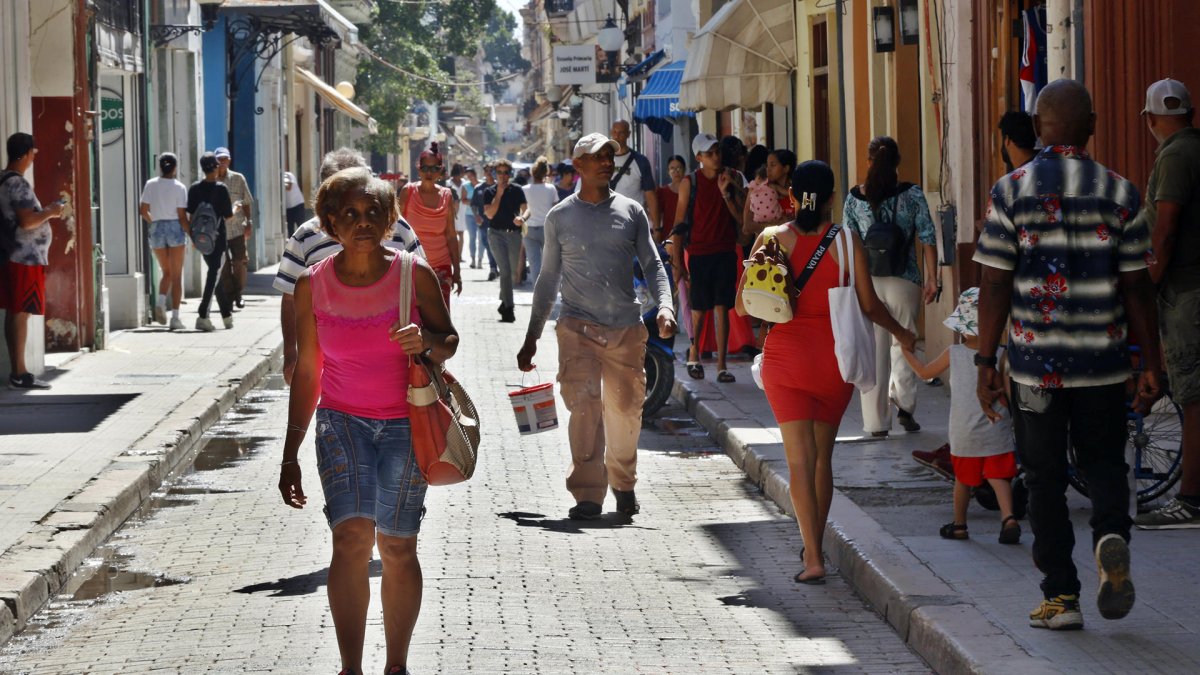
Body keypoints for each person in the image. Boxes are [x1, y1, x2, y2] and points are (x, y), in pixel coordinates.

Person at [974, 79, 1162, 630]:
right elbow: (1138, 289)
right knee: (1104, 462)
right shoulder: (1121, 193)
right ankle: (1109, 534)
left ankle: (1060, 597)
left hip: (1036, 369)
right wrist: (1151, 363)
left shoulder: (1010, 192)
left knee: (1044, 477)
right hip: (1103, 364)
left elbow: (993, 284)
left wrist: (986, 363)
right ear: (1093, 127)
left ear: (1038, 129)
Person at [278, 167, 458, 675]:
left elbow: (448, 340)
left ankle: (396, 665)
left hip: (405, 424)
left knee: (398, 546)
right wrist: (290, 454)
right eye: (350, 215)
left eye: (373, 213)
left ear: (389, 220)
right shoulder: (312, 286)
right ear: (330, 222)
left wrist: (425, 343)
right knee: (350, 538)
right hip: (340, 424)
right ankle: (350, 668)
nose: (362, 223)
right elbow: (309, 371)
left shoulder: (412, 274)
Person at [735, 160, 915, 584]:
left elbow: (743, 305)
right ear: (833, 198)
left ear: (791, 197)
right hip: (835, 361)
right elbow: (870, 307)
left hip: (785, 361)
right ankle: (816, 542)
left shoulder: (771, 238)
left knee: (799, 464)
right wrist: (902, 333)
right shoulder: (849, 242)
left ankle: (812, 557)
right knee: (822, 462)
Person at [517, 133, 676, 520]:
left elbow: (653, 264)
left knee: (624, 410)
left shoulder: (631, 212)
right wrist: (532, 335)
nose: (606, 161)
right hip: (576, 328)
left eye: (609, 155)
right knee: (585, 408)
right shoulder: (560, 217)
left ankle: (623, 483)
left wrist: (666, 307)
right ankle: (587, 492)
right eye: (597, 157)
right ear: (578, 166)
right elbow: (548, 278)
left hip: (624, 327)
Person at [273, 147, 423, 385]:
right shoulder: (305, 236)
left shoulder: (398, 228)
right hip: (331, 366)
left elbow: (424, 291)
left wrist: (427, 342)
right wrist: (291, 354)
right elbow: (291, 297)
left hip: (394, 368)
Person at [901, 288, 1021, 544]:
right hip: (996, 427)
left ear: (962, 327)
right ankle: (1008, 519)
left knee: (963, 481)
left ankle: (960, 525)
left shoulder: (954, 353)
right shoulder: (1003, 355)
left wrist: (906, 352)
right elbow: (1011, 396)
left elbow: (924, 373)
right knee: (998, 477)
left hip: (964, 432)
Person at [1133, 78, 1200, 530]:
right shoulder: (1191, 148)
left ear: (1154, 119)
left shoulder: (1176, 155)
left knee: (1193, 396)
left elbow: (1167, 226)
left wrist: (1149, 283)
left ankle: (1191, 500)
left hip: (1185, 292)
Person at [843, 136, 939, 437]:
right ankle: (906, 407)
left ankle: (875, 423)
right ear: (898, 163)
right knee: (905, 342)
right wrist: (932, 277)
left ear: (869, 162)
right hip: (904, 279)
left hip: (867, 282)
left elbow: (849, 242)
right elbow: (927, 235)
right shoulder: (912, 195)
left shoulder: (853, 199)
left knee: (873, 350)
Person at [669, 133, 742, 384]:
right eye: (709, 153)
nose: (716, 157)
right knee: (699, 310)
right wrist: (678, 262)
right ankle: (694, 355)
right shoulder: (690, 183)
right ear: (699, 157)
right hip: (699, 252)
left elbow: (741, 218)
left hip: (724, 250)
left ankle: (722, 365)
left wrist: (726, 194)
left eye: (717, 152)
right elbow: (679, 223)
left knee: (723, 307)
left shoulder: (732, 178)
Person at [1, 132, 65, 389]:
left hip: (12, 255)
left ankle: (18, 371)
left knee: (15, 311)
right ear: (27, 154)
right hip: (23, 258)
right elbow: (27, 221)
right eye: (33, 154)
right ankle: (20, 373)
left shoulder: (3, 180)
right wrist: (51, 211)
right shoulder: (16, 183)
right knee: (21, 313)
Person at [399, 143, 460, 307]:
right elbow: (394, 227)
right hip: (412, 266)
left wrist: (457, 271)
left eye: (434, 169)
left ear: (440, 172)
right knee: (414, 319)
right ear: (419, 170)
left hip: (441, 266)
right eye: (425, 168)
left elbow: (451, 236)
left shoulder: (446, 196)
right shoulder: (408, 192)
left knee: (441, 321)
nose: (429, 173)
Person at [139, 152, 189, 331]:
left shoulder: (151, 184)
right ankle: (175, 317)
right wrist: (190, 232)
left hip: (157, 228)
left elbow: (143, 210)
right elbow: (182, 216)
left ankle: (160, 302)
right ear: (175, 167)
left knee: (166, 271)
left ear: (160, 166)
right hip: (175, 228)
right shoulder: (180, 187)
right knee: (176, 276)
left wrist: (155, 222)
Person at [185, 152, 235, 332]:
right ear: (214, 167)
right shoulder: (221, 189)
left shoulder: (194, 189)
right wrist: (235, 209)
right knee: (214, 274)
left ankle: (227, 316)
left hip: (201, 240)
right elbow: (228, 217)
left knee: (216, 274)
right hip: (218, 240)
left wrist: (192, 237)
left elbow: (189, 215)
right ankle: (203, 315)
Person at [482, 158, 527, 323]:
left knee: (513, 273)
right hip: (496, 235)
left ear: (510, 174)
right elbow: (490, 214)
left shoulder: (517, 190)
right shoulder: (489, 192)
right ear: (495, 174)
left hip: (514, 234)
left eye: (506, 173)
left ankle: (503, 301)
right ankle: (509, 308)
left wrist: (522, 217)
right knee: (505, 272)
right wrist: (499, 194)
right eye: (499, 173)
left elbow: (526, 209)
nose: (502, 176)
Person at [214, 147, 253, 310]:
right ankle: (231, 296)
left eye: (224, 159)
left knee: (240, 262)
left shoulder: (238, 178)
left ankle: (238, 292)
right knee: (223, 266)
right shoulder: (211, 181)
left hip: (237, 228)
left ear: (229, 160)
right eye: (219, 159)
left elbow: (246, 202)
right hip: (218, 230)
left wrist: (249, 222)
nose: (222, 162)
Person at [609, 120, 659, 229]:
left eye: (621, 133)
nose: (617, 136)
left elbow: (650, 194)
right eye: (615, 132)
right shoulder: (602, 160)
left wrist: (657, 226)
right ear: (611, 133)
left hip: (633, 222)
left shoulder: (640, 161)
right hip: (608, 222)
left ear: (628, 134)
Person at [515, 156, 557, 285]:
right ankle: (549, 288)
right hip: (547, 229)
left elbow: (521, 208)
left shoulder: (524, 189)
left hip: (529, 229)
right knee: (549, 262)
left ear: (532, 173)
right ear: (546, 172)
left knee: (534, 263)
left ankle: (537, 290)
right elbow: (556, 208)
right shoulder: (551, 189)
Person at [471, 163, 499, 281]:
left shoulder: (500, 187)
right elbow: (473, 205)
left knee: (498, 246)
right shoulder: (479, 188)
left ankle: (496, 267)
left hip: (499, 222)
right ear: (484, 172)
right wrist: (476, 215)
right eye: (486, 170)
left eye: (491, 170)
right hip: (484, 222)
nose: (488, 172)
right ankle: (493, 268)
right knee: (488, 245)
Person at [655, 155, 686, 244]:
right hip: (668, 235)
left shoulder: (693, 189)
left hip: (689, 235)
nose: (676, 171)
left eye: (679, 167)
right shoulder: (662, 192)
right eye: (672, 168)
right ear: (668, 171)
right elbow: (658, 216)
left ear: (684, 169)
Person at [460, 167, 480, 269]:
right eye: (467, 176)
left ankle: (480, 259)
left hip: (481, 214)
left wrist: (471, 201)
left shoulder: (481, 185)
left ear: (475, 174)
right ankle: (473, 259)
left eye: (471, 175)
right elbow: (463, 200)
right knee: (472, 238)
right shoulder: (465, 186)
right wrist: (474, 202)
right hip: (469, 215)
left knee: (482, 238)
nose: (469, 177)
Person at [284, 170, 306, 238]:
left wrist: (279, 184)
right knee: (290, 228)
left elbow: (289, 187)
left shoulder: (287, 175)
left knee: (301, 226)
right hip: (288, 207)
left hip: (297, 204)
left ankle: (305, 242)